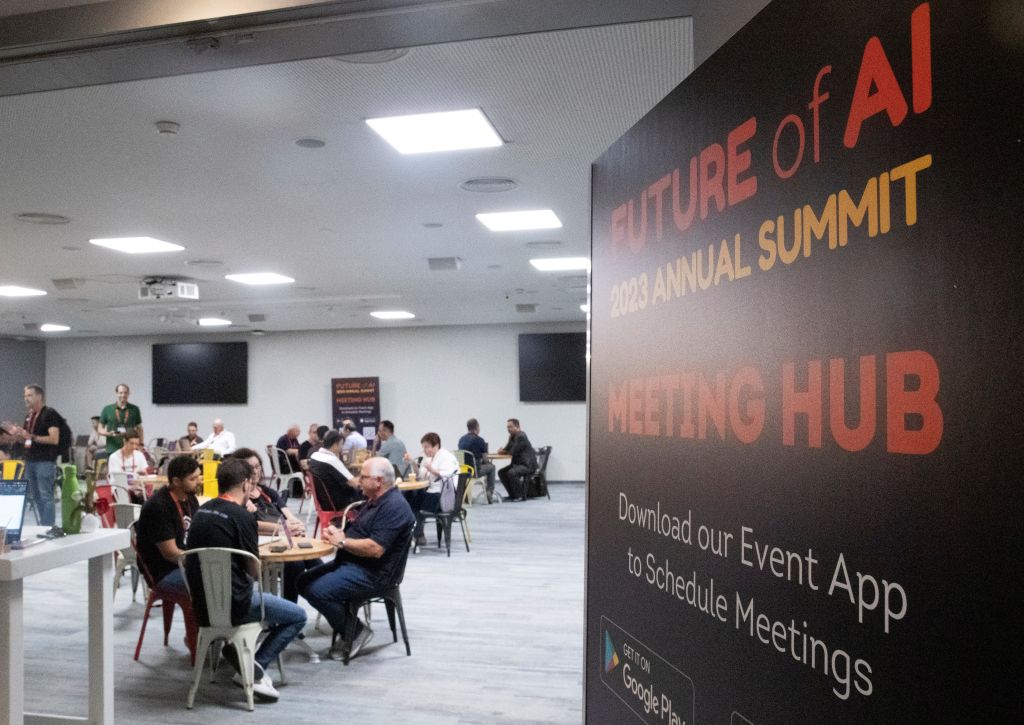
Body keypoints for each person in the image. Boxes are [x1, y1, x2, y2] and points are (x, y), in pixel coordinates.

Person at [185, 458, 306, 702]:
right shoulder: (242, 517)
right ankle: (254, 666)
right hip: (236, 604)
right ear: (245, 485)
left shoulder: (201, 512)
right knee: (297, 616)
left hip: (201, 605)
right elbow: (253, 571)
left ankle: (241, 656)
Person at [298, 456, 414, 661]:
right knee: (302, 581)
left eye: (363, 477)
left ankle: (356, 631)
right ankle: (348, 624)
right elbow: (361, 533)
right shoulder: (375, 500)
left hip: (374, 573)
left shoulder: (394, 506)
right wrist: (338, 534)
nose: (358, 481)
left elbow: (375, 549)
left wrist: (342, 542)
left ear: (378, 481)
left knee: (317, 591)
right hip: (354, 563)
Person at [230, 448, 318, 603]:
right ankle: (292, 607)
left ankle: (328, 594)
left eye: (258, 466)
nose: (255, 471)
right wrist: (282, 528)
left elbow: (289, 515)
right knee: (296, 564)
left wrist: (297, 525)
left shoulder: (268, 492)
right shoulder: (239, 497)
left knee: (311, 556)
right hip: (261, 549)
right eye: (251, 468)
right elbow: (250, 525)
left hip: (283, 541)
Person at [135, 455, 201, 596]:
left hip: (184, 563)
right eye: (193, 479)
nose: (199, 481)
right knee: (213, 581)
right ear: (176, 481)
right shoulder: (158, 507)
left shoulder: (190, 498)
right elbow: (171, 554)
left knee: (227, 574)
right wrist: (202, 563)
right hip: (163, 571)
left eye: (199, 476)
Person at [1, 385, 63, 526]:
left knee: (45, 496)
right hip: (30, 460)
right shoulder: (29, 416)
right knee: (36, 497)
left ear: (39, 396)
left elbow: (54, 439)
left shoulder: (49, 414)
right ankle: (43, 526)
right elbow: (26, 439)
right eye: (25, 396)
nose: (26, 398)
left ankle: (49, 527)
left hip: (44, 461)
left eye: (29, 395)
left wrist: (31, 436)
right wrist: (17, 435)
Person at [403, 432, 459, 547]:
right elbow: (420, 476)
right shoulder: (428, 458)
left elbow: (447, 475)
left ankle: (416, 536)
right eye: (423, 447)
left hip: (443, 498)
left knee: (414, 503)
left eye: (427, 447)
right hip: (433, 493)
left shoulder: (446, 456)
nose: (425, 450)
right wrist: (413, 463)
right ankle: (418, 535)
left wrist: (431, 469)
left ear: (436, 445)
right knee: (409, 496)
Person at [308, 430, 360, 512]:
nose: (342, 447)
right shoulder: (331, 460)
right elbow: (353, 482)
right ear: (335, 445)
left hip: (324, 502)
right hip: (339, 503)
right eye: (341, 444)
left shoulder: (314, 456)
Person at [497, 418, 538, 501]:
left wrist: (503, 451)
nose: (508, 429)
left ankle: (520, 495)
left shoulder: (521, 436)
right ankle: (513, 495)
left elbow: (512, 451)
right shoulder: (513, 437)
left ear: (517, 427)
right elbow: (506, 449)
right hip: (519, 464)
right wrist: (504, 449)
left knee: (511, 473)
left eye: (510, 427)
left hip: (527, 465)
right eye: (507, 427)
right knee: (501, 472)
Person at [97, 383, 143, 457]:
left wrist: (140, 444)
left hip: (130, 449)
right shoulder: (107, 409)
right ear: (117, 393)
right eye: (121, 393)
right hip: (112, 449)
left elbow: (139, 428)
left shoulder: (135, 409)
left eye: (125, 392)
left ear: (128, 394)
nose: (123, 395)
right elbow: (99, 429)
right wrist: (109, 433)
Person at [457, 417, 496, 502]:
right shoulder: (480, 440)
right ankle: (489, 492)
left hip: (464, 471)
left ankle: (466, 496)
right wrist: (485, 462)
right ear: (477, 427)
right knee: (492, 467)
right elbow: (485, 459)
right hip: (475, 472)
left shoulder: (461, 439)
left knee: (485, 465)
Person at [107, 428, 150, 501]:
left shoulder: (140, 455)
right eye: (131, 443)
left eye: (136, 444)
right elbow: (117, 479)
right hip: (120, 488)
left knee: (144, 500)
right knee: (124, 498)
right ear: (124, 441)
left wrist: (143, 475)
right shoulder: (114, 457)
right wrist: (129, 486)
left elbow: (145, 476)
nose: (134, 447)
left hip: (136, 488)